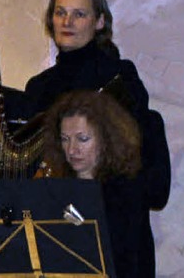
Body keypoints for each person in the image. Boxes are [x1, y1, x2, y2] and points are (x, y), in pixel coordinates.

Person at [23, 0, 170, 276]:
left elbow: (136, 160)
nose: (67, 21)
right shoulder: (39, 88)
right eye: (60, 13)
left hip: (115, 233)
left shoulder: (120, 77)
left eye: (79, 14)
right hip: (55, 230)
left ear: (100, 21)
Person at [43, 90, 145, 277]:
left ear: (106, 140)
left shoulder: (124, 193)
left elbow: (122, 261)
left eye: (82, 139)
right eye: (65, 139)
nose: (72, 149)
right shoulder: (58, 188)